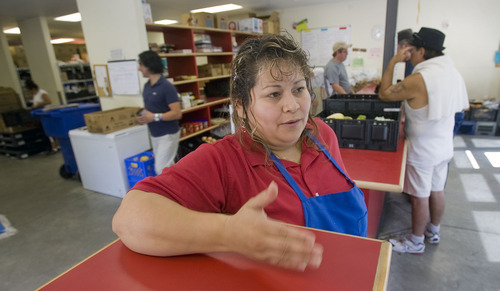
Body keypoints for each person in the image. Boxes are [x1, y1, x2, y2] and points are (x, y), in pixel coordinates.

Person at [113, 34, 368, 271]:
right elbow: (129, 219)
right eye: (274, 94)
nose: (293, 106)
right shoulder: (225, 160)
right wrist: (227, 233)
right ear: (242, 107)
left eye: (299, 89)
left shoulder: (322, 134)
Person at [378, 27, 469, 254]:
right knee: (437, 191)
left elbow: (384, 93)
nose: (410, 54)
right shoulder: (452, 72)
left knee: (420, 198)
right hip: (443, 147)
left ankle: (415, 241)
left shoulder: (420, 79)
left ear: (422, 51)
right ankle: (433, 231)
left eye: (413, 49)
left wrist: (393, 62)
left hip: (422, 151)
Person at [136, 50, 182, 175]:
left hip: (167, 134)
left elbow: (177, 113)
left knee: (161, 169)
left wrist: (154, 117)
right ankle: (177, 192)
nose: (139, 68)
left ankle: (170, 194)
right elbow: (150, 108)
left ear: (149, 65)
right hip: (155, 134)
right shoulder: (147, 86)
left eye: (141, 64)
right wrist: (143, 116)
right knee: (168, 168)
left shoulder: (167, 87)